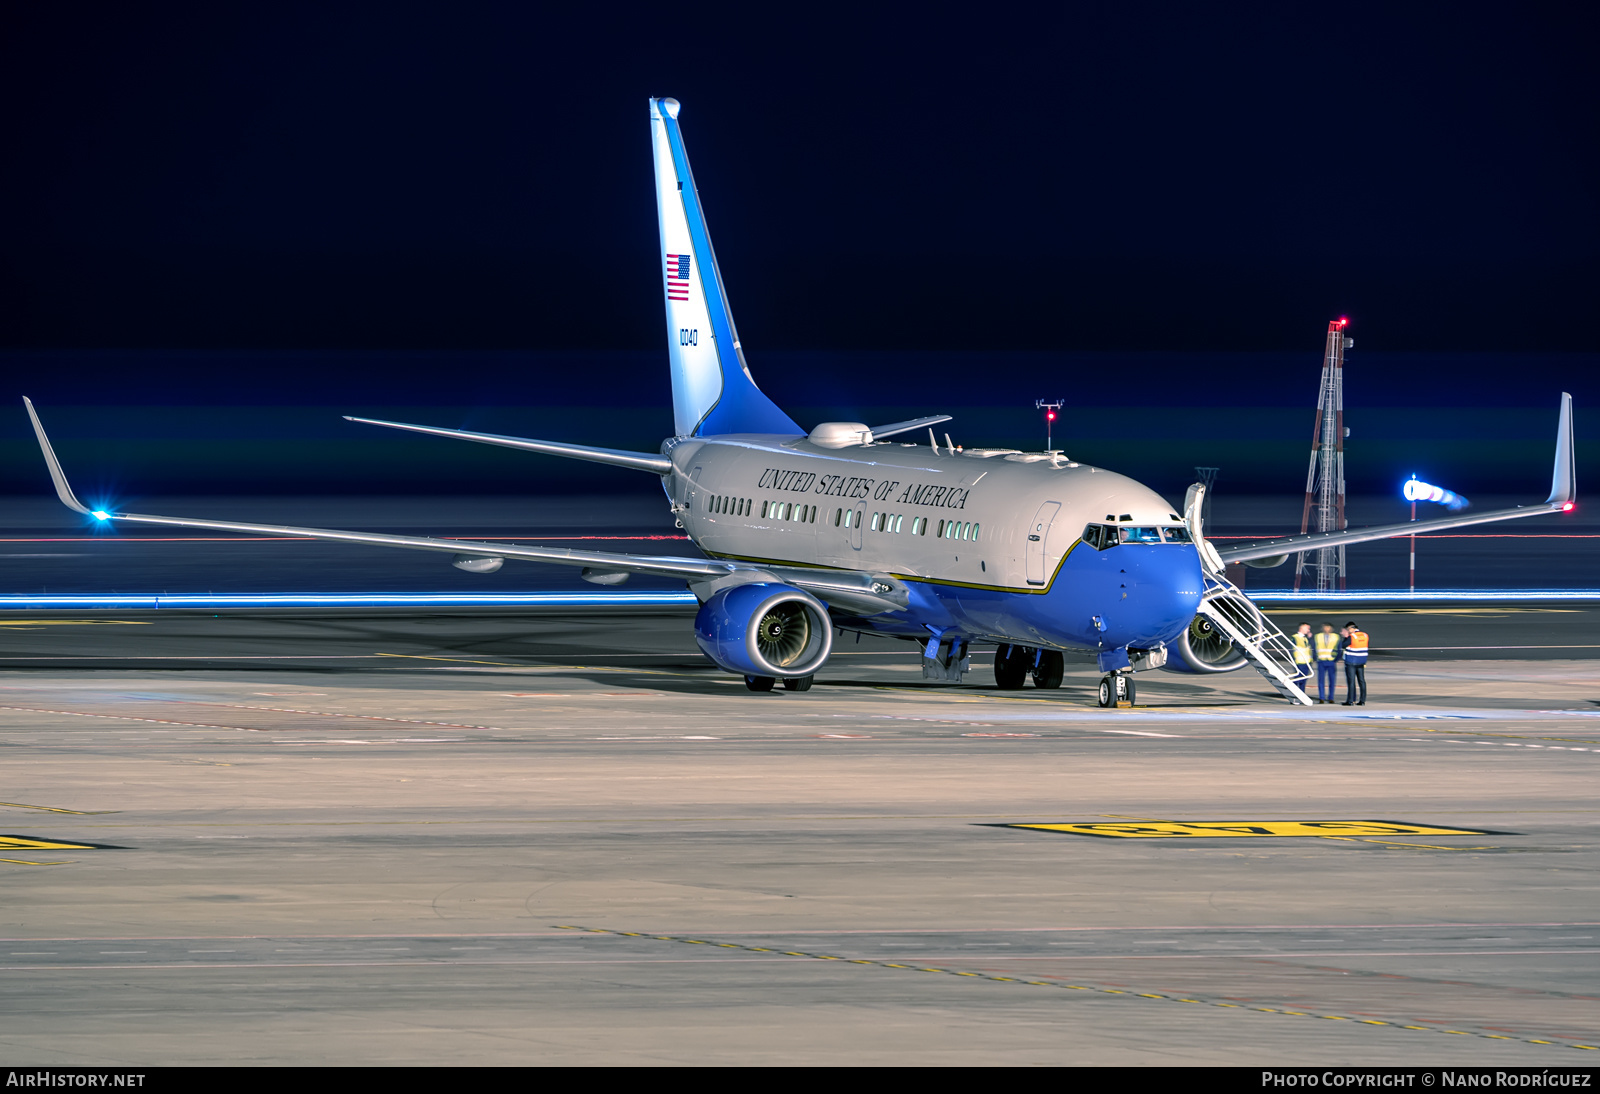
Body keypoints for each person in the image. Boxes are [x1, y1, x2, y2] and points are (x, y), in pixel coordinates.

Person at [1340, 621, 1368, 705]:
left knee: (1351, 682)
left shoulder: (1352, 636)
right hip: (1362, 661)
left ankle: (1350, 701)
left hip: (1351, 661)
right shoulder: (1365, 635)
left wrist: (1345, 637)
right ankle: (1362, 701)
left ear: (1351, 628)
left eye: (1348, 629)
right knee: (1362, 681)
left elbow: (1343, 645)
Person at [1313, 622, 1340, 703]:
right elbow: (1314, 648)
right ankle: (1322, 697)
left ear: (1331, 629)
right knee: (1321, 680)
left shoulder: (1336, 637)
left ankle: (1331, 697)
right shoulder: (1317, 636)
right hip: (1321, 661)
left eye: (1328, 627)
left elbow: (1339, 649)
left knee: (1332, 680)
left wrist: (1336, 659)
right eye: (1325, 627)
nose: (1326, 629)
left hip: (1331, 661)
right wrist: (1316, 658)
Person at [1291, 622, 1313, 693]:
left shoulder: (1306, 638)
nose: (1308, 630)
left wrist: (1310, 638)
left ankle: (1302, 693)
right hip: (1299, 662)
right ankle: (1293, 692)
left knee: (1304, 679)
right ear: (1301, 628)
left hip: (1307, 662)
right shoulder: (1295, 637)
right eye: (1307, 628)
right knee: (1299, 678)